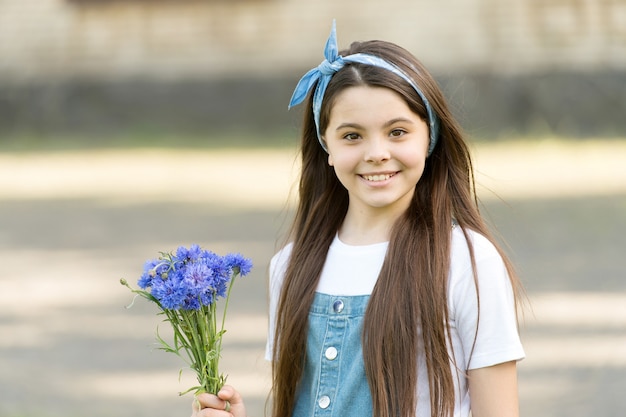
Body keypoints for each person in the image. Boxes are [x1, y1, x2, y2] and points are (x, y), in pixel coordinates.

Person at [192, 20, 525, 417]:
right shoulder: (292, 265)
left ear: (430, 137)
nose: (377, 153)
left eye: (397, 132)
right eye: (352, 136)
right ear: (326, 145)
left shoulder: (467, 261)